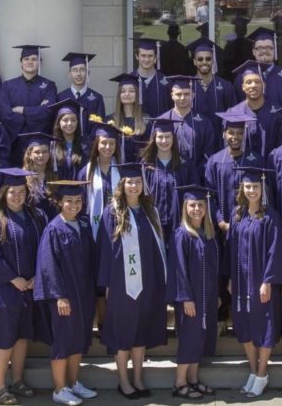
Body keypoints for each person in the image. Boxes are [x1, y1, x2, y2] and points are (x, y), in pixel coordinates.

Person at [0, 167, 51, 405]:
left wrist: (38, 277)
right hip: (3, 290)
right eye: (12, 192)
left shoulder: (36, 217)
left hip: (30, 288)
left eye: (21, 191)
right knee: (4, 338)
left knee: (22, 337)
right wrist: (13, 278)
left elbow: (45, 249)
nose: (17, 196)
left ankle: (18, 381)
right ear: (4, 193)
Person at [97, 163, 171, 399]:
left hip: (147, 282)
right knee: (123, 333)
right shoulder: (112, 213)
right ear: (122, 185)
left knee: (141, 331)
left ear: (143, 185)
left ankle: (138, 378)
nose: (133, 186)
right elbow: (105, 251)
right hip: (122, 284)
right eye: (129, 182)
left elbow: (158, 249)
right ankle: (123, 381)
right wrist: (107, 284)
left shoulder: (151, 211)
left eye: (137, 182)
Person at [34, 181, 99, 406]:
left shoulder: (83, 226)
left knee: (78, 339)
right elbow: (47, 265)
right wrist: (59, 296)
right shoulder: (54, 228)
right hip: (64, 297)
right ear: (59, 202)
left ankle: (73, 383)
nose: (74, 204)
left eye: (78, 200)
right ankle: (59, 388)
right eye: (69, 201)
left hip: (83, 294)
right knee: (63, 341)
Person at [226, 164, 282, 397]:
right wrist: (231, 278)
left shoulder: (271, 217)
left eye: (256, 186)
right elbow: (231, 250)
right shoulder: (237, 215)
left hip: (262, 282)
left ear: (263, 189)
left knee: (264, 326)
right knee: (244, 326)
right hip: (242, 282)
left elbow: (276, 251)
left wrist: (268, 281)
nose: (252, 190)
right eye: (248, 186)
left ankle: (262, 374)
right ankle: (253, 372)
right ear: (242, 188)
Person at [169, 186, 220, 401]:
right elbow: (178, 270)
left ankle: (193, 379)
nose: (197, 209)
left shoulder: (208, 234)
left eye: (200, 205)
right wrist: (185, 298)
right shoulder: (181, 235)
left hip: (207, 297)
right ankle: (179, 383)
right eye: (192, 205)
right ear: (185, 207)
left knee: (199, 338)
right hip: (190, 299)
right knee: (190, 339)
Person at [203, 112, 265, 233]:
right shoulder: (215, 161)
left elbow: (264, 195)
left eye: (240, 133)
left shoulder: (256, 160)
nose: (235, 137)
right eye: (230, 132)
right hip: (222, 226)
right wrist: (220, 221)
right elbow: (209, 195)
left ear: (245, 135)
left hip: (251, 225)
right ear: (223, 134)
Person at [141, 119, 196, 235]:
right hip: (152, 223)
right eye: (160, 137)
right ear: (154, 139)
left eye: (167, 137)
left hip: (179, 224)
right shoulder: (146, 165)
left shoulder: (185, 164)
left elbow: (192, 194)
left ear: (173, 138)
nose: (164, 141)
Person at [0, 44, 59, 143]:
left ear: (40, 62)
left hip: (40, 141)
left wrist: (22, 110)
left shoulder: (49, 86)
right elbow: (5, 115)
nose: (30, 62)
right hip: (15, 142)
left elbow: (48, 112)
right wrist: (37, 111)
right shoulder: (7, 86)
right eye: (26, 59)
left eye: (34, 59)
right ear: (21, 63)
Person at [229, 60, 282, 158]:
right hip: (242, 170)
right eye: (248, 82)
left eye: (257, 81)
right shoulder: (233, 114)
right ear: (243, 87)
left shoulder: (278, 114)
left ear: (264, 85)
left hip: (271, 168)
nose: (253, 85)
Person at [159, 75, 220, 162]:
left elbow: (209, 153)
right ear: (172, 95)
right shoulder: (162, 121)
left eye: (187, 94)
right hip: (170, 174)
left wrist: (196, 173)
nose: (182, 98)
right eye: (178, 94)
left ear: (193, 95)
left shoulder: (204, 122)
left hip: (198, 173)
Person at [246, 26, 282, 108]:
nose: (264, 51)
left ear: (275, 50)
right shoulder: (243, 78)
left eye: (269, 47)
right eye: (260, 47)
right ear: (254, 52)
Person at [187, 37, 238, 119]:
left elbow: (233, 115)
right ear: (194, 62)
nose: (204, 62)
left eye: (208, 59)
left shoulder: (226, 86)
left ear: (213, 60)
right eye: (200, 59)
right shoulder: (188, 86)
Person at [126, 37, 173, 119]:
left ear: (156, 57)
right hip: (134, 129)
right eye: (143, 56)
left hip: (160, 129)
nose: (147, 59)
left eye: (150, 56)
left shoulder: (166, 83)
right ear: (137, 56)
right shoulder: (128, 80)